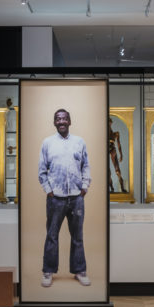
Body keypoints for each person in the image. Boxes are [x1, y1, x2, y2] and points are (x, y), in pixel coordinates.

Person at [37, 108, 91, 287]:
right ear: (54, 122)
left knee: (78, 236)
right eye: (58, 119)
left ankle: (80, 271)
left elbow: (86, 166)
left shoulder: (79, 142)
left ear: (70, 121)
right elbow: (42, 170)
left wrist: (84, 187)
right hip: (56, 198)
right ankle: (48, 271)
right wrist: (49, 190)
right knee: (52, 235)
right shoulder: (47, 143)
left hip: (76, 198)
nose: (61, 121)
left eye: (64, 118)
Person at [108, 117, 127, 194]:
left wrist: (121, 154)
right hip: (106, 149)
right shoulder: (104, 133)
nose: (109, 124)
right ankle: (111, 188)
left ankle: (122, 188)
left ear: (111, 123)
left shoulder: (115, 134)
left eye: (109, 122)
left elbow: (119, 145)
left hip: (112, 149)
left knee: (117, 170)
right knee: (108, 172)